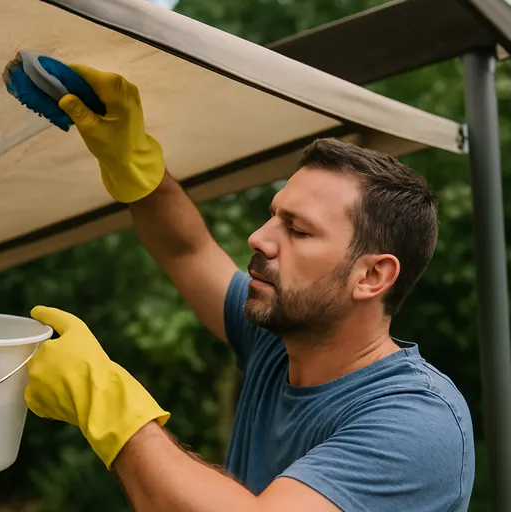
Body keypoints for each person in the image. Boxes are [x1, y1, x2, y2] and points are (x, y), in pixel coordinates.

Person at [24, 64, 476, 511]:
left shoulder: (418, 422)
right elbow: (188, 250)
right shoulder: (277, 341)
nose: (259, 238)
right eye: (274, 214)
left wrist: (104, 399)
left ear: (372, 276)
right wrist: (135, 165)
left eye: (297, 230)